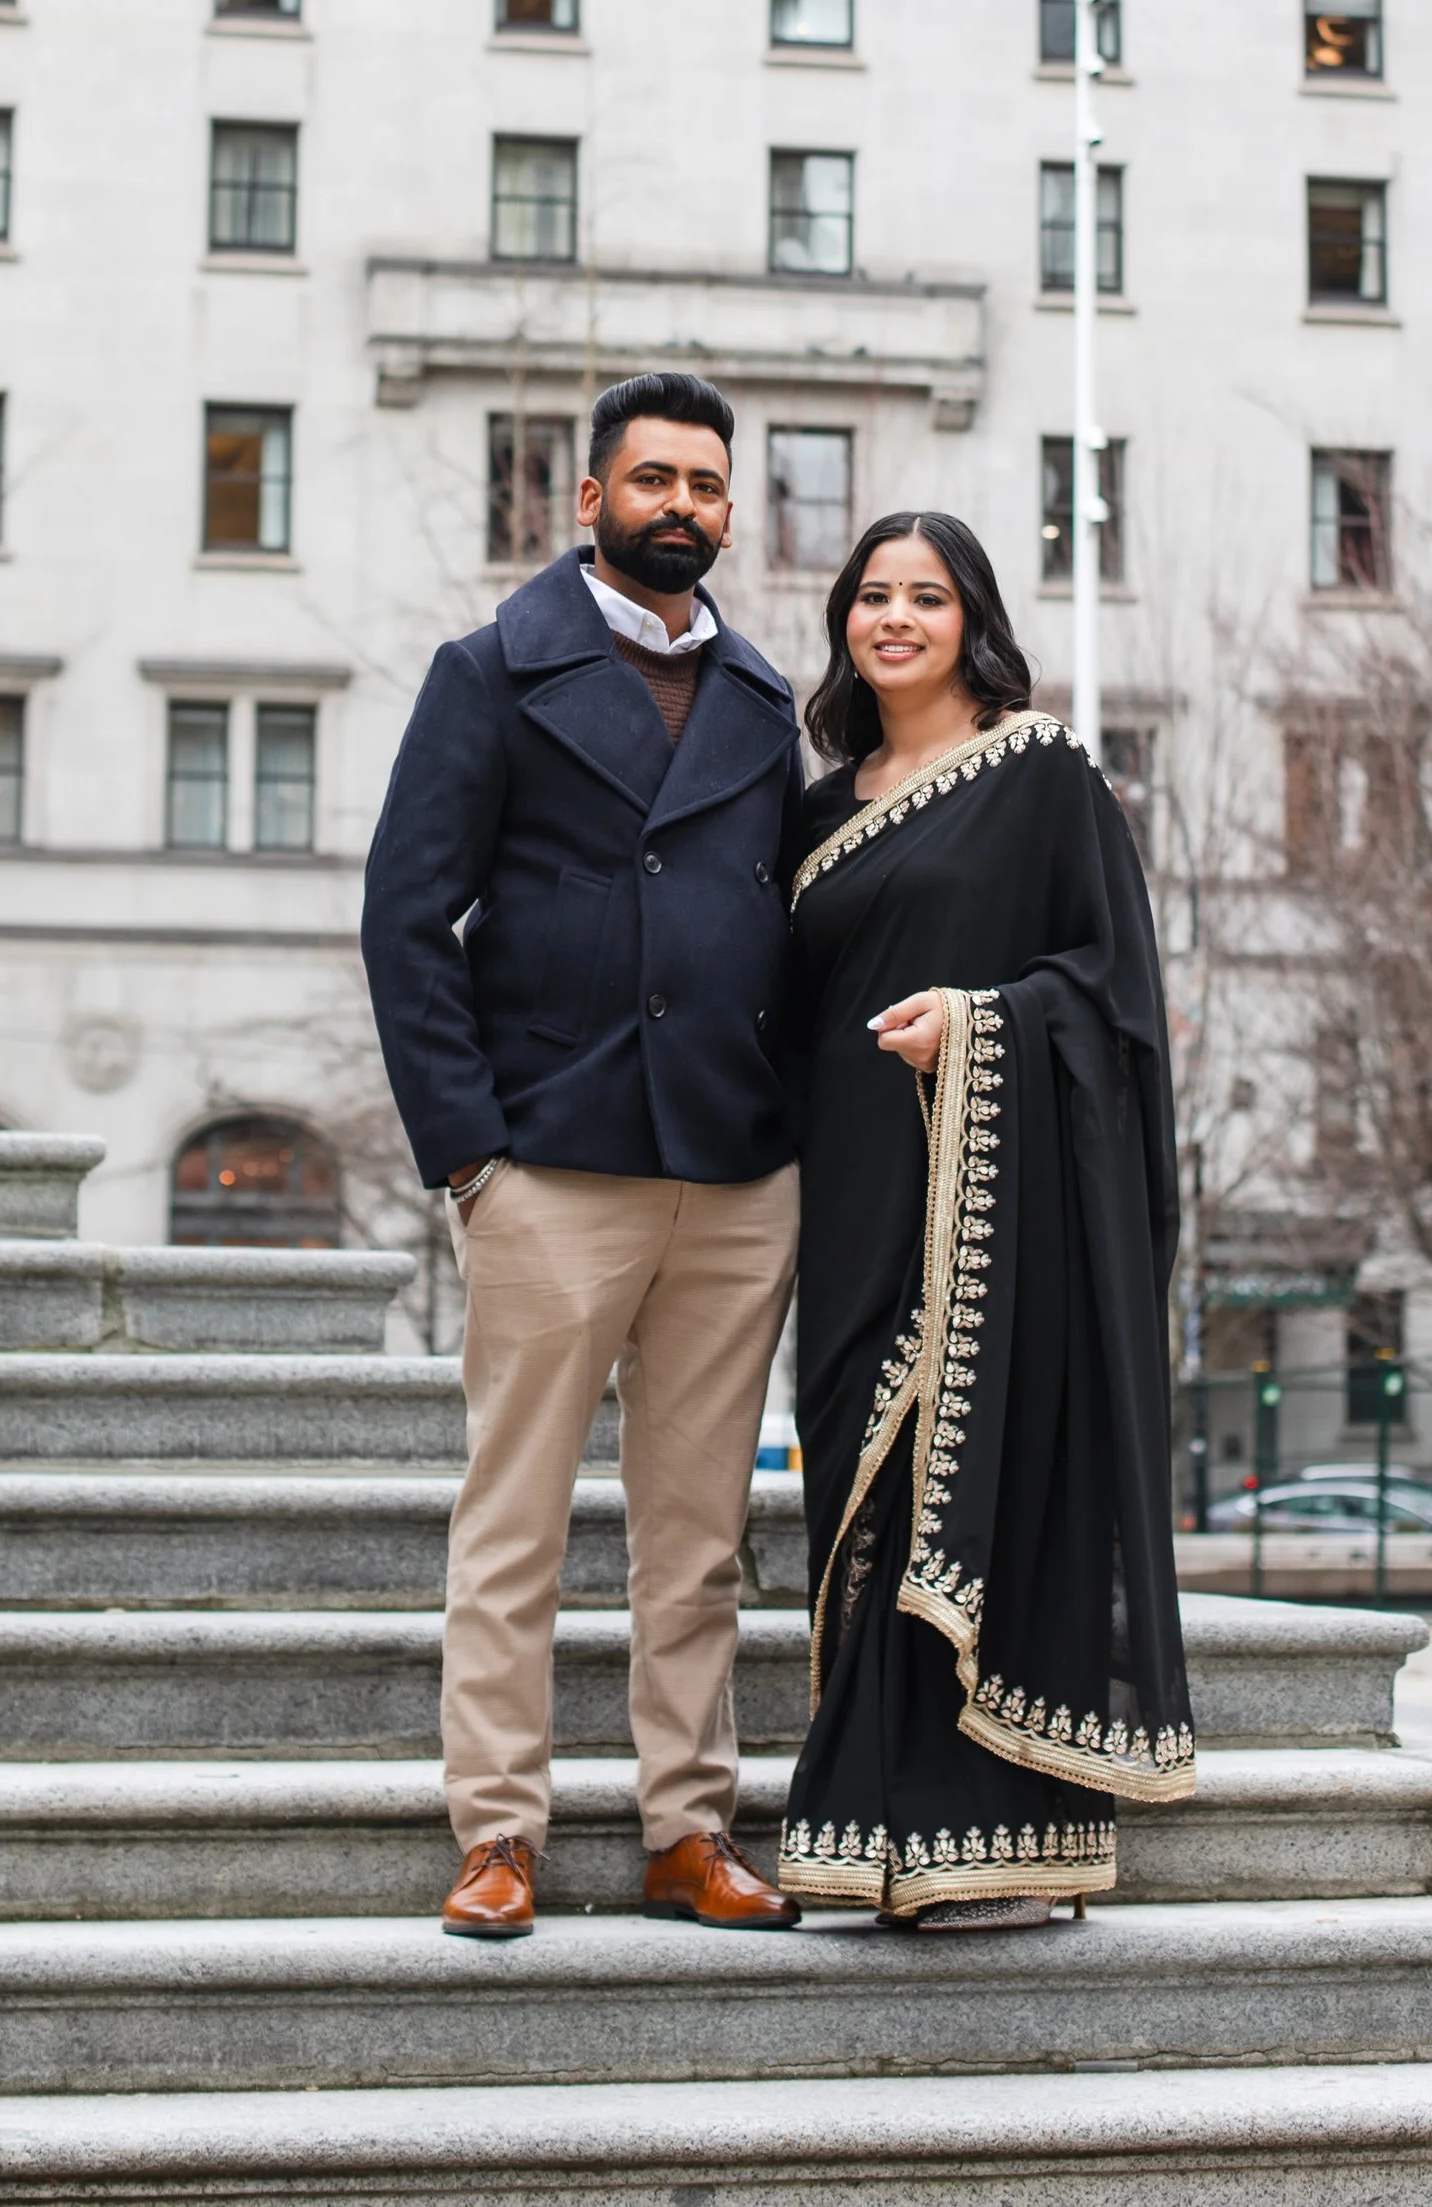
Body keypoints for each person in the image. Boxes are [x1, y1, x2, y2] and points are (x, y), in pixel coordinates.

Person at [360, 371, 805, 1942]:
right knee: (516, 1525)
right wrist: (470, 1152)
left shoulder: (761, 701)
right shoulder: (490, 672)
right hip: (550, 1160)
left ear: (731, 508)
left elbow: (785, 927)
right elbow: (407, 917)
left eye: (705, 482)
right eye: (652, 478)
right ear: (590, 499)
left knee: (698, 1537)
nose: (680, 502)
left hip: (736, 1174)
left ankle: (691, 1826)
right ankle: (499, 1832)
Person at [777, 510, 1196, 1928]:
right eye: (872, 595)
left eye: (927, 596)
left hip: (984, 1192)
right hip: (841, 1193)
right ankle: (865, 1836)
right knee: (850, 1493)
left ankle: (979, 1836)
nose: (895, 618)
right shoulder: (821, 807)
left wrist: (978, 1021)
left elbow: (1113, 992)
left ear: (974, 618)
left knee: (942, 1489)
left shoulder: (1042, 772)